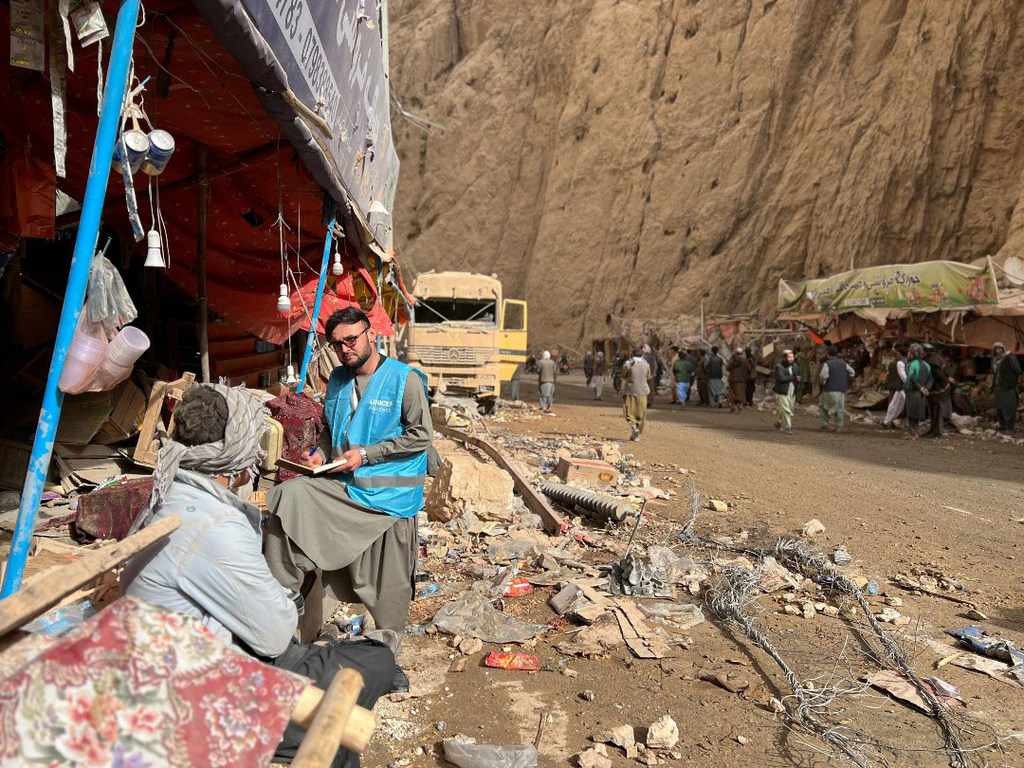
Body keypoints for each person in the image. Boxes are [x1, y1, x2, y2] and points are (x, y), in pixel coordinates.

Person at [122, 384, 396, 768]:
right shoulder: (214, 524)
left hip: (185, 663)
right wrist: (286, 602)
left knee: (346, 662)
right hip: (195, 698)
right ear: (237, 451)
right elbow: (272, 636)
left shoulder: (171, 494)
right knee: (371, 670)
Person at [263, 307, 431, 693]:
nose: (345, 349)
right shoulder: (337, 380)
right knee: (287, 496)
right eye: (336, 344)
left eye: (351, 340)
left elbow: (421, 436)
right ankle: (282, 605)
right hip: (345, 487)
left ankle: (389, 662)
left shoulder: (403, 380)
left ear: (371, 334)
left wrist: (367, 455)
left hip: (389, 497)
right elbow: (329, 431)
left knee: (389, 587)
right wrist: (321, 454)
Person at [818, 345, 855, 431]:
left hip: (830, 389)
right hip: (841, 390)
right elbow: (852, 372)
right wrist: (845, 378)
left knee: (822, 406)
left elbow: (823, 375)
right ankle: (839, 426)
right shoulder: (843, 363)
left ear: (828, 354)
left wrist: (823, 382)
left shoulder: (827, 364)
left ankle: (825, 423)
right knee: (840, 408)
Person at [903, 343, 932, 439]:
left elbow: (912, 378)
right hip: (922, 393)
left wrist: (920, 387)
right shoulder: (927, 365)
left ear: (912, 354)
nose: (908, 354)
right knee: (917, 412)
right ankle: (915, 432)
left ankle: (912, 433)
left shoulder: (912, 364)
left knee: (911, 413)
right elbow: (931, 379)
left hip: (913, 391)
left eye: (909, 352)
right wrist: (925, 388)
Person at [992, 341, 1022, 432]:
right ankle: (1003, 425)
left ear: (1003, 349)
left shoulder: (1010, 357)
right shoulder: (995, 359)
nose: (998, 351)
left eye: (999, 348)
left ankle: (1009, 427)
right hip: (999, 387)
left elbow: (1018, 370)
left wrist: (1009, 379)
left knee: (1009, 407)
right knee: (999, 407)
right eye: (996, 349)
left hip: (1008, 387)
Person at [622, 348, 651, 440]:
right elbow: (649, 376)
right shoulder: (646, 364)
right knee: (641, 412)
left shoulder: (628, 364)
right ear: (642, 354)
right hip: (643, 391)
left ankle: (634, 428)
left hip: (631, 391)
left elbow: (623, 375)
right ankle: (637, 431)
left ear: (632, 354)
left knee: (629, 411)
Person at [923, 345, 951, 438]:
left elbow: (939, 377)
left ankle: (936, 432)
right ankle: (933, 430)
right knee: (934, 411)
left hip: (937, 390)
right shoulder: (938, 358)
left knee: (936, 411)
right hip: (941, 389)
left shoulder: (931, 362)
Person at [773, 349, 800, 434]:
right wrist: (794, 377)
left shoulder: (795, 366)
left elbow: (798, 375)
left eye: (792, 357)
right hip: (782, 391)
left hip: (792, 391)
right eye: (789, 357)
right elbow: (781, 378)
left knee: (789, 408)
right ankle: (788, 427)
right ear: (784, 358)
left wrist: (798, 378)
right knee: (786, 409)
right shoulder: (779, 367)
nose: (791, 359)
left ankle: (778, 422)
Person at [881, 346, 907, 429]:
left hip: (894, 386)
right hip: (901, 387)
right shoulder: (907, 363)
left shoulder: (893, 364)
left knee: (892, 405)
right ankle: (901, 422)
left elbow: (889, 376)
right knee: (903, 406)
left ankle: (889, 422)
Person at [726, 347, 748, 413]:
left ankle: (734, 407)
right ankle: (741, 407)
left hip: (733, 378)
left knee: (733, 393)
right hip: (742, 379)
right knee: (741, 393)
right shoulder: (745, 360)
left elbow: (727, 368)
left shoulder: (732, 360)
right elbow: (749, 369)